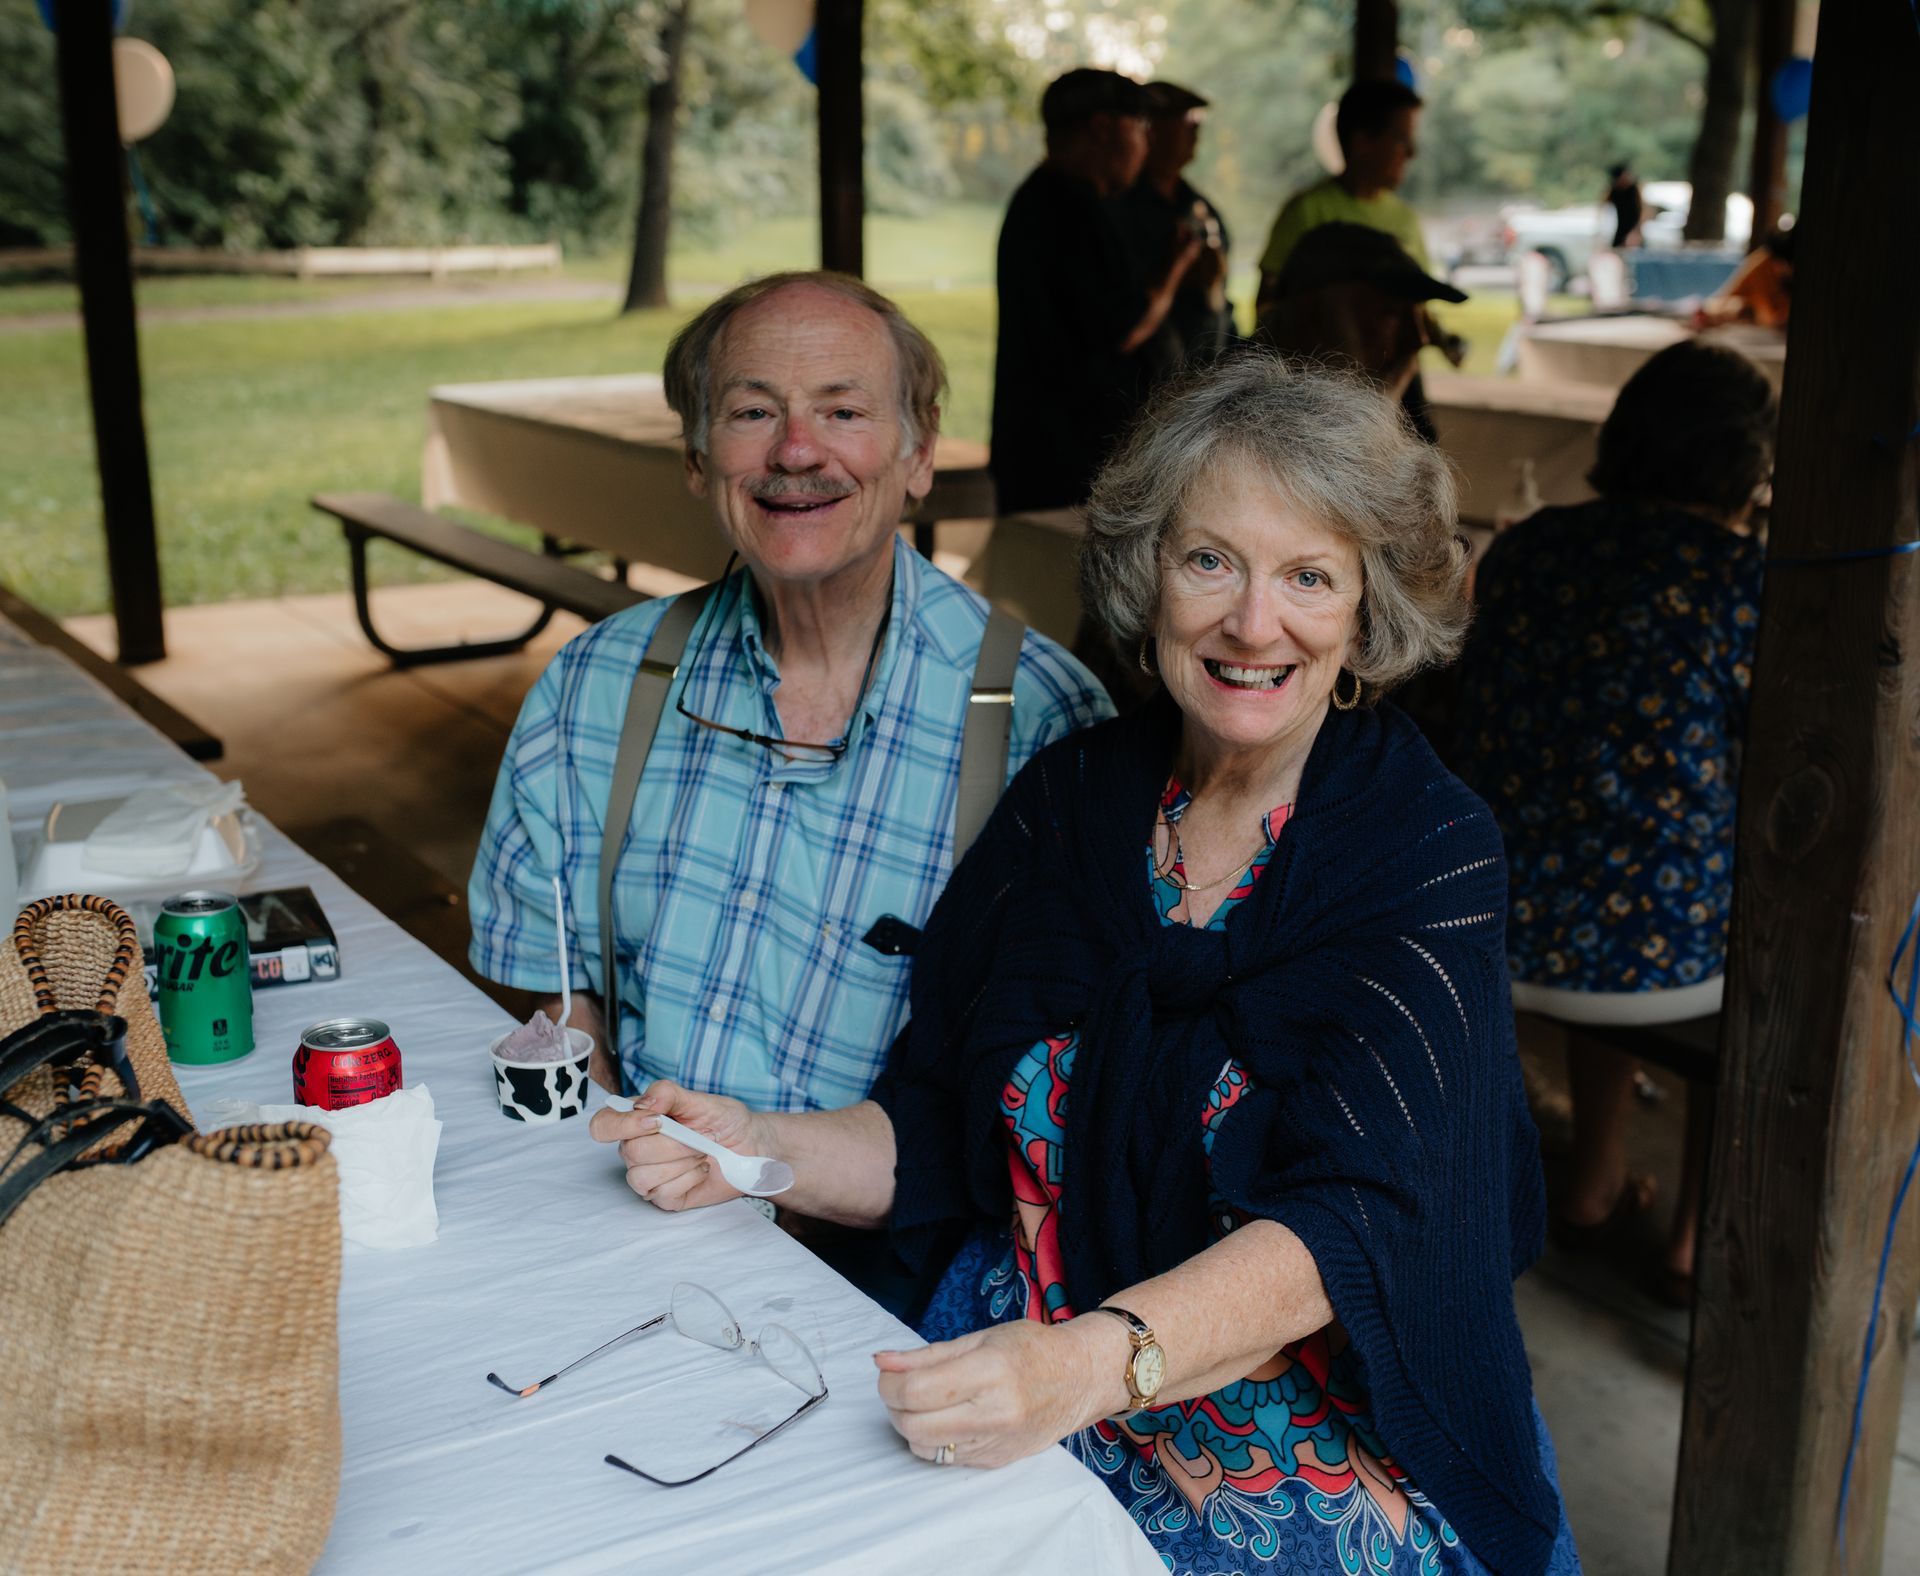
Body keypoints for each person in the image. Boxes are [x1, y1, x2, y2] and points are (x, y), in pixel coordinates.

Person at [597, 357, 1582, 1575]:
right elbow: (936, 1124)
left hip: (1283, 1409)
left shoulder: (1423, 848)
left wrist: (1091, 1365)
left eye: (1309, 577)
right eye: (1210, 560)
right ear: (1150, 574)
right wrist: (755, 1147)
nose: (1252, 622)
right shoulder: (1073, 798)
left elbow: (1358, 1224)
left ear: (1367, 611)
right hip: (1011, 1353)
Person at [469, 271, 1114, 1122]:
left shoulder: (1042, 719)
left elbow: (1051, 1082)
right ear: (698, 459)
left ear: (920, 455)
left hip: (881, 1246)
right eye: (752, 412)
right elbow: (556, 990)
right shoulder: (595, 686)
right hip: (634, 1193)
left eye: (844, 411)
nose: (797, 451)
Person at [1453, 341, 1775, 1303]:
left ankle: (1591, 1185)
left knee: (1606, 863)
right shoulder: (1740, 582)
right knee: (1749, 928)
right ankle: (1688, 1242)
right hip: (1659, 955)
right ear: (1744, 464)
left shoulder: (1529, 547)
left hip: (1500, 926)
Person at [990, 67, 1205, 514]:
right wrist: (1177, 266)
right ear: (1104, 129)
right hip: (1064, 456)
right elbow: (1124, 325)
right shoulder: (1065, 208)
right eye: (1140, 128)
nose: (1146, 146)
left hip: (1060, 449)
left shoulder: (1061, 201)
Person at [1254, 79, 1429, 315]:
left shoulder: (1406, 219)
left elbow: (1419, 310)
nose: (1412, 153)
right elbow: (1267, 310)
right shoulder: (1306, 212)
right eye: (1402, 140)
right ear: (1362, 142)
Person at [1255, 221, 1466, 401]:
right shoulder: (1236, 417)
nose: (1419, 339)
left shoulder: (1400, 394)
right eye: (1390, 313)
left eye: (1419, 316)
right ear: (1311, 315)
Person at [1112, 80, 1234, 374]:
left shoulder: (1200, 209)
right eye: (1186, 119)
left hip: (1202, 373)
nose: (1195, 130)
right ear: (1151, 129)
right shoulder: (1117, 208)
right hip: (1140, 382)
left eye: (1198, 120)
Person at [1604, 163, 1644, 250]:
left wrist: (1636, 231)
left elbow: (1643, 210)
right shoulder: (1614, 191)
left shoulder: (1633, 189)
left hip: (1634, 230)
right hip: (1621, 230)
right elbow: (1603, 207)